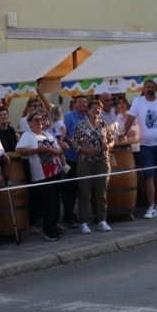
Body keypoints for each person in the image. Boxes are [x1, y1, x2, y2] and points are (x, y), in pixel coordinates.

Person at [122, 80, 157, 218]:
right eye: (148, 87)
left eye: (153, 87)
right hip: (145, 145)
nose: (150, 89)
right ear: (144, 88)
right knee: (148, 175)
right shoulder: (138, 101)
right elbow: (130, 119)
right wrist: (122, 134)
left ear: (156, 89)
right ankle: (151, 206)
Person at [15, 110, 66, 241]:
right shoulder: (27, 135)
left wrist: (60, 150)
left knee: (55, 201)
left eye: (41, 119)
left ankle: (54, 227)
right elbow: (19, 150)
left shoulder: (48, 135)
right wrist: (37, 150)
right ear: (29, 123)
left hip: (55, 171)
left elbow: (58, 151)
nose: (39, 121)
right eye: (36, 120)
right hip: (41, 175)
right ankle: (48, 231)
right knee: (48, 202)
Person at [72, 99, 114, 234]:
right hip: (86, 161)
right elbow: (75, 145)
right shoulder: (81, 126)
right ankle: (83, 222)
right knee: (85, 192)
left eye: (99, 108)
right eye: (94, 108)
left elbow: (111, 140)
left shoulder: (104, 124)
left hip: (102, 160)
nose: (96, 110)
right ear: (88, 110)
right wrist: (86, 150)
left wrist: (107, 146)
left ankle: (102, 220)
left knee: (102, 191)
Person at [61, 96, 89, 225]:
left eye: (84, 102)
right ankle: (68, 216)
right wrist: (69, 141)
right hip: (69, 159)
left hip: (83, 159)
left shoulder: (87, 118)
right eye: (80, 102)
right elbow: (61, 133)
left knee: (82, 188)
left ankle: (82, 216)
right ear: (74, 104)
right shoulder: (68, 116)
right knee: (69, 189)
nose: (83, 103)